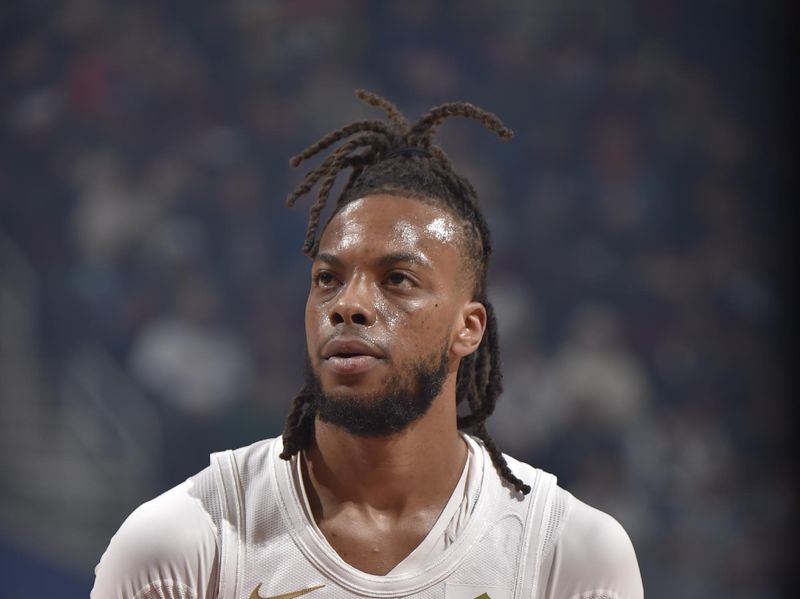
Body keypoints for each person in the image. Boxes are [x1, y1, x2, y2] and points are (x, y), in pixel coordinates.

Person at [92, 90, 644, 599]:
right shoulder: (181, 545)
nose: (347, 304)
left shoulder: (568, 556)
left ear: (468, 328)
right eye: (328, 279)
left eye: (398, 279)